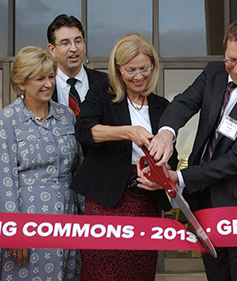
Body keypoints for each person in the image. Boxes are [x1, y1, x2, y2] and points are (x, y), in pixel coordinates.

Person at [144, 19, 237, 281]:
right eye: (231, 60)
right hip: (204, 197)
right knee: (216, 272)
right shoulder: (214, 73)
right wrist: (167, 132)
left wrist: (182, 177)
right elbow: (184, 102)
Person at [69, 33, 178, 281]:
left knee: (140, 271)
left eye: (144, 68)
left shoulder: (162, 106)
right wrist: (129, 132)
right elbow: (84, 130)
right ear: (118, 69)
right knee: (100, 269)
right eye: (130, 70)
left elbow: (172, 157)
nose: (138, 76)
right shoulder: (102, 93)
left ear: (153, 66)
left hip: (145, 199)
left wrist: (162, 176)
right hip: (106, 198)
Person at [0, 46, 82, 280]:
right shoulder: (8, 119)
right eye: (40, 78)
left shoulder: (67, 116)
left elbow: (78, 168)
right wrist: (13, 233)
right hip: (28, 221)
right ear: (21, 83)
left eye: (51, 76)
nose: (48, 84)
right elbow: (4, 180)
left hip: (67, 217)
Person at [47, 14, 107, 119]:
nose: (73, 48)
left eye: (78, 41)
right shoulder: (44, 86)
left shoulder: (106, 83)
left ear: (84, 44)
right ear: (52, 49)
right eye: (65, 43)